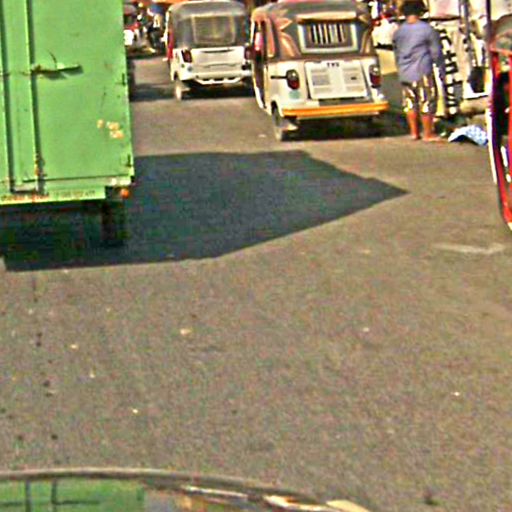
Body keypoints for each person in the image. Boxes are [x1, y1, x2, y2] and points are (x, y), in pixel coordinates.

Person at [393, 0, 446, 141]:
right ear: (421, 11)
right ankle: (428, 133)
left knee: (410, 102)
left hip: (404, 72)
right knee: (427, 101)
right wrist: (441, 69)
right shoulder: (427, 30)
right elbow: (436, 53)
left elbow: (396, 53)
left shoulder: (399, 32)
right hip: (422, 70)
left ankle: (414, 133)